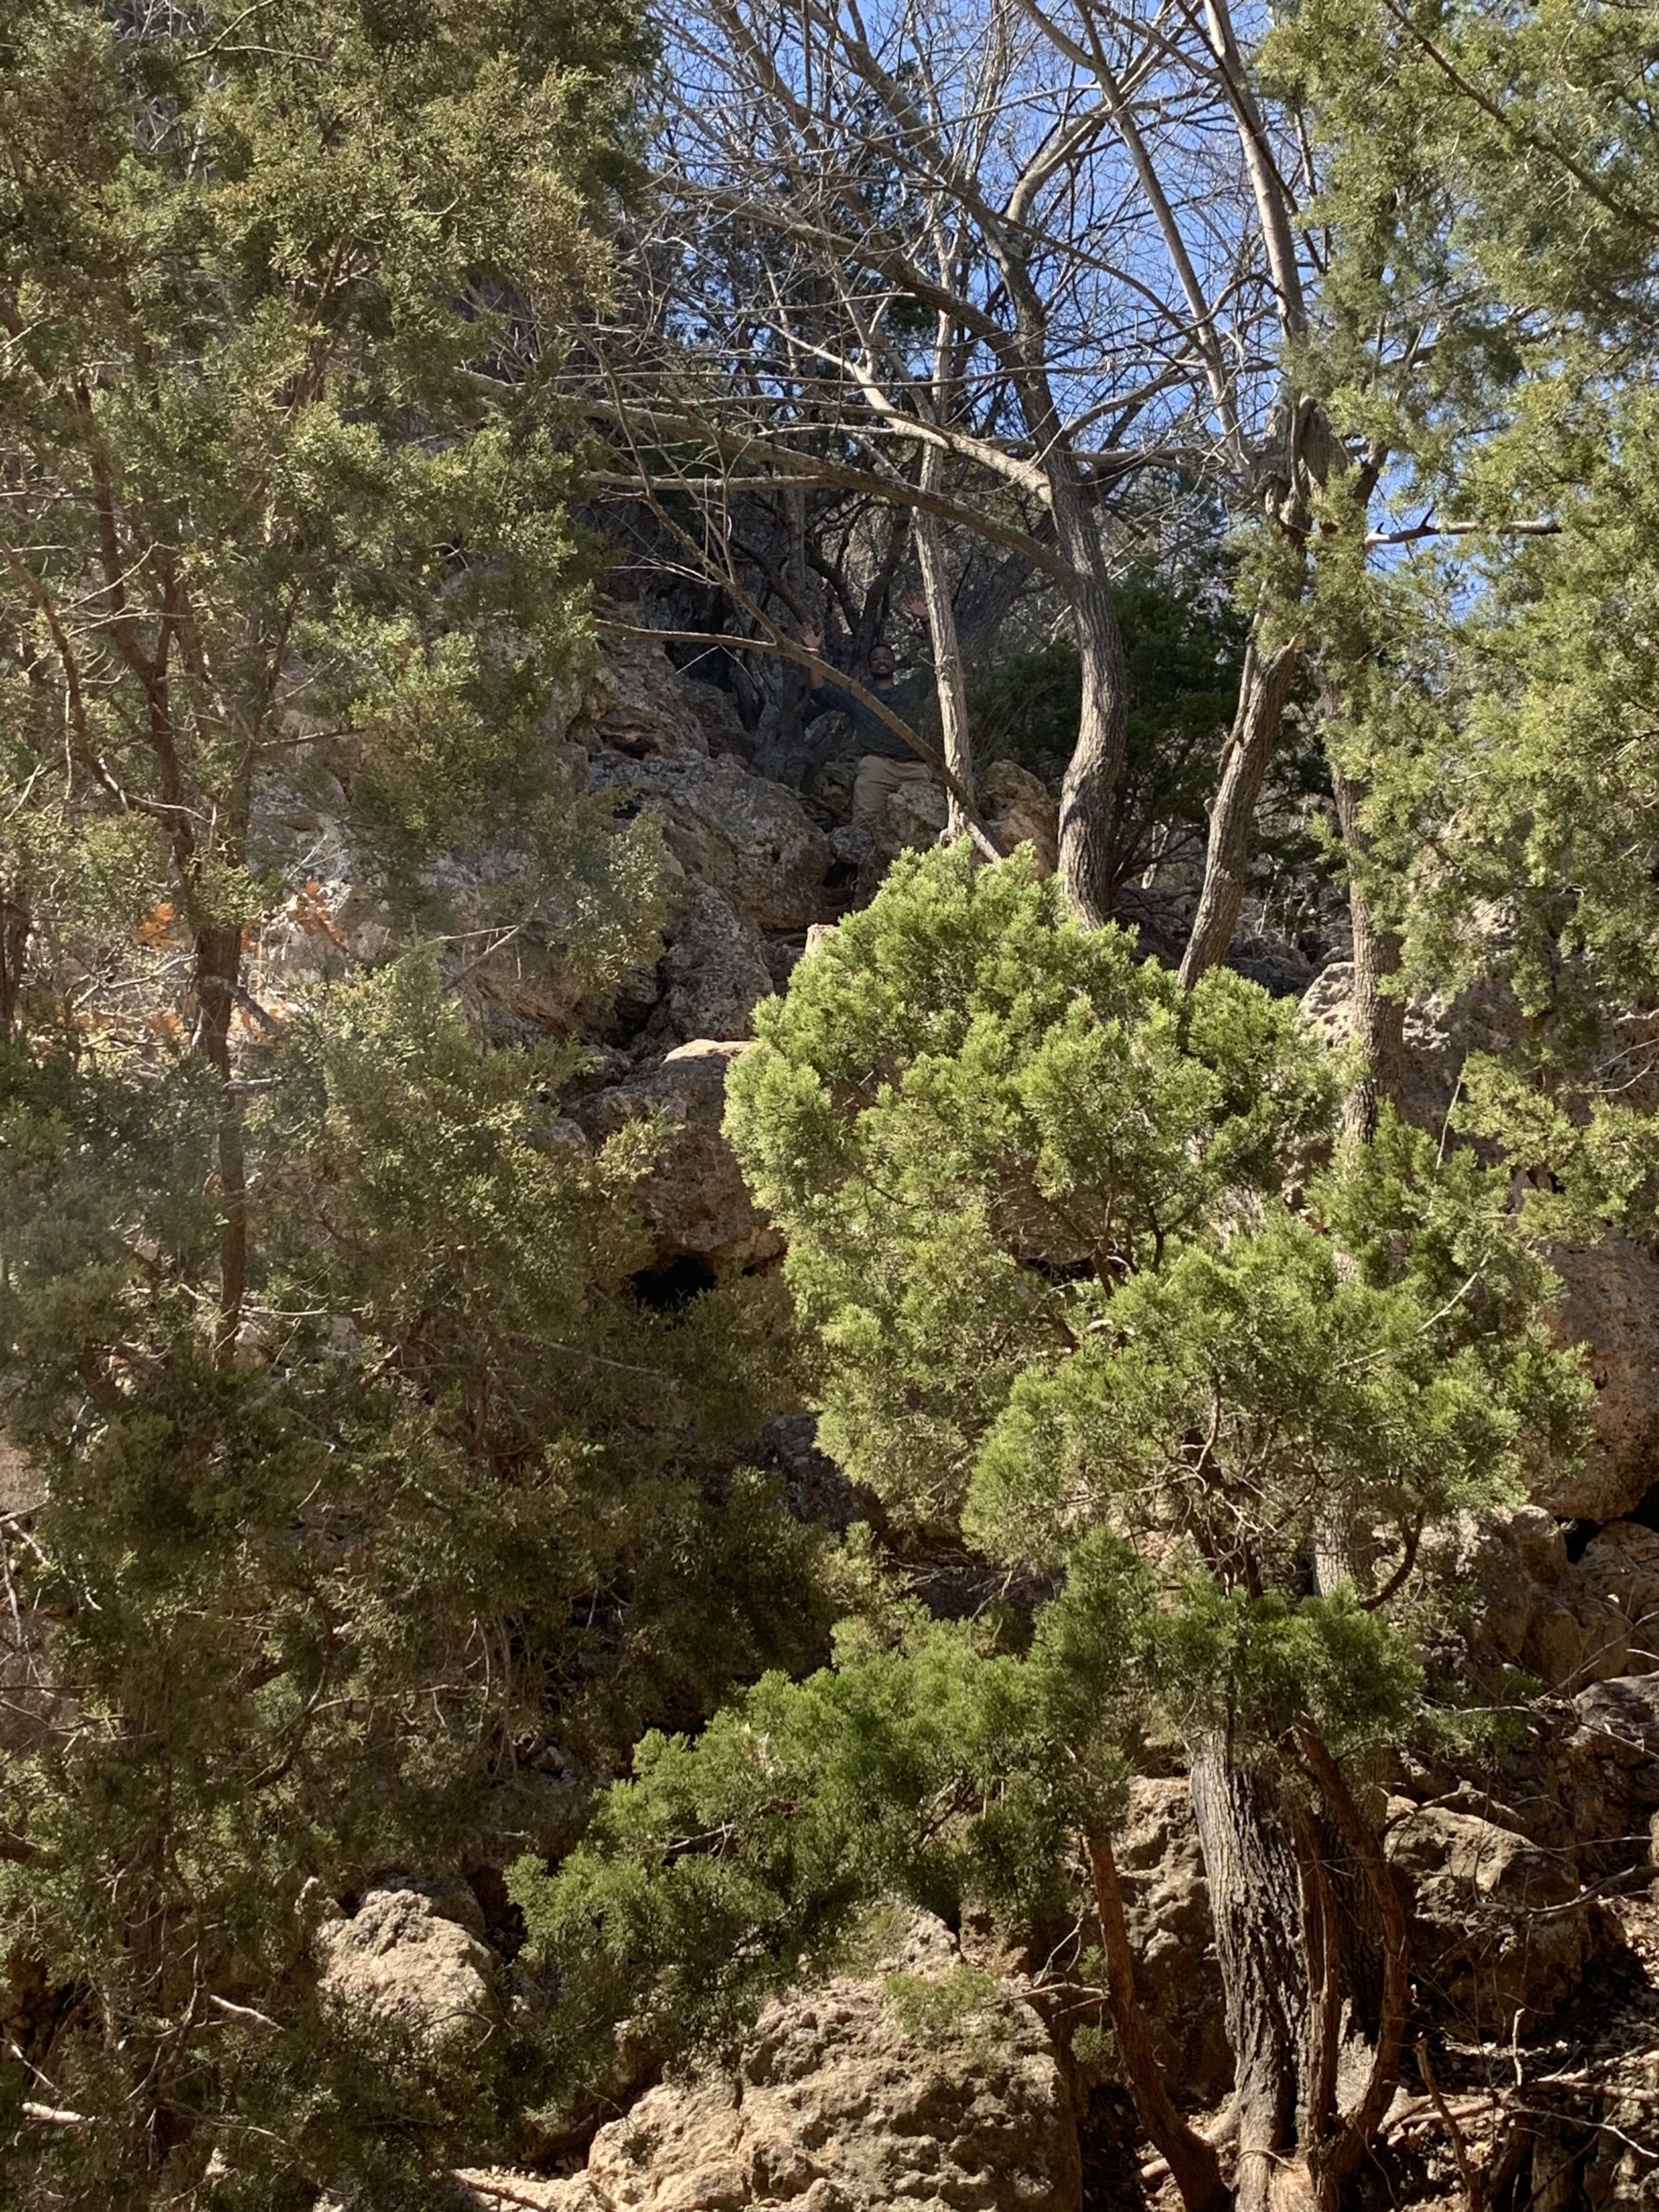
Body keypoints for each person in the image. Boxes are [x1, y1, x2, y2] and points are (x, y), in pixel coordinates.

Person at [798, 600, 939, 839]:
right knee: (864, 828)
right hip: (877, 766)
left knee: (925, 830)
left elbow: (940, 664)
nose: (881, 661)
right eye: (875, 659)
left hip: (915, 767)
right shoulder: (860, 697)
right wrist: (813, 652)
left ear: (894, 663)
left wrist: (926, 621)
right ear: (870, 666)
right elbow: (820, 691)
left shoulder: (911, 690)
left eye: (886, 657)